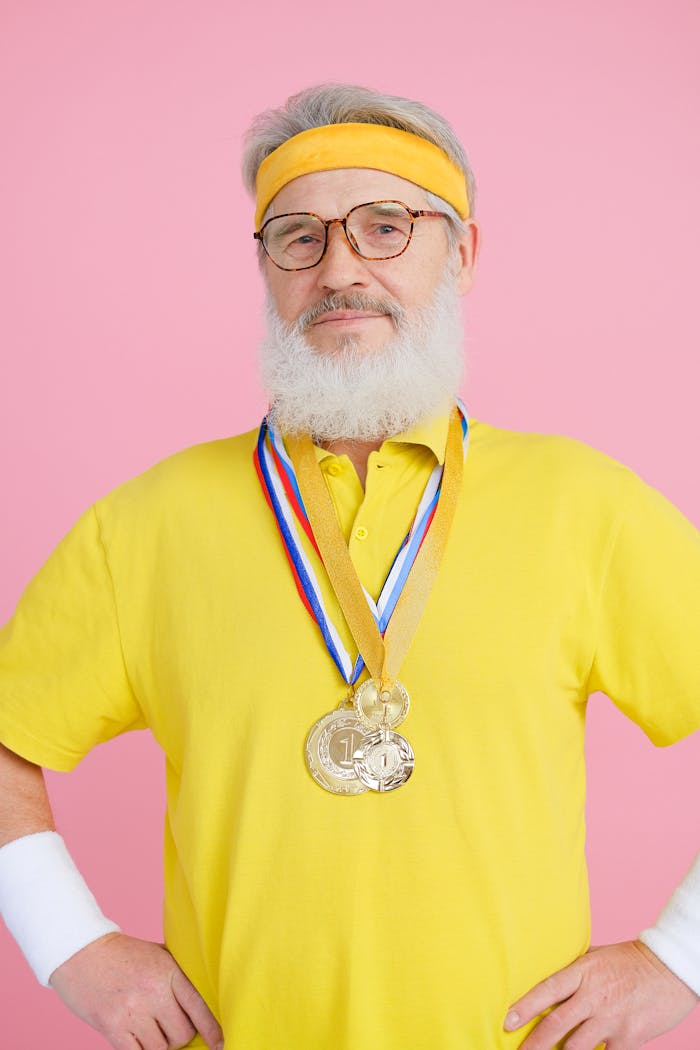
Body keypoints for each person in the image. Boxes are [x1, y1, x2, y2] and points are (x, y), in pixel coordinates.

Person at [0, 82, 699, 1050]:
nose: (338, 269)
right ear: (268, 269)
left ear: (462, 254)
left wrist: (682, 956)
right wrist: (67, 942)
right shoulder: (146, 522)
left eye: (384, 227)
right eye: (299, 236)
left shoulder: (586, 505)